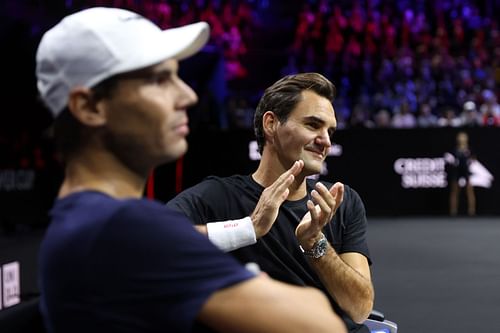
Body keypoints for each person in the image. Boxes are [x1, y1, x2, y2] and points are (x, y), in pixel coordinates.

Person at [35, 8, 347, 333]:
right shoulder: (123, 226)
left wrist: (251, 230)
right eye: (159, 80)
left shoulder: (84, 217)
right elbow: (322, 326)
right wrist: (256, 283)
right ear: (90, 107)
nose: (188, 95)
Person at [167, 73, 374, 333]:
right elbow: (152, 243)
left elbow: (360, 308)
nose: (326, 141)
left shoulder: (340, 202)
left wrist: (314, 243)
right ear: (271, 123)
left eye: (329, 131)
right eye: (313, 125)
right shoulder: (216, 197)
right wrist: (248, 228)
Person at [446, 131, 476, 216]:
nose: (462, 139)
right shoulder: (454, 150)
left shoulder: (469, 150)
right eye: (460, 137)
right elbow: (449, 158)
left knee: (470, 191)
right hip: (456, 172)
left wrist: (470, 162)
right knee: (455, 191)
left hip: (466, 172)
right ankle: (453, 211)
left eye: (463, 137)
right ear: (458, 139)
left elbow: (473, 159)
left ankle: (472, 211)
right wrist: (453, 161)